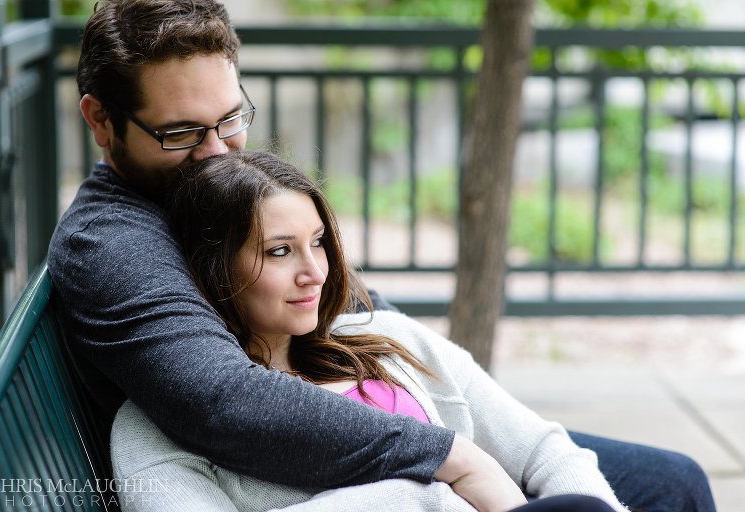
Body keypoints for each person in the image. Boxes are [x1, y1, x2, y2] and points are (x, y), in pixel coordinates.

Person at [46, 1, 716, 511]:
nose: (219, 151)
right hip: (289, 476)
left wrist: (461, 412)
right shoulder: (112, 243)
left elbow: (357, 314)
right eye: (183, 133)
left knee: (670, 478)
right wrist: (448, 456)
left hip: (368, 416)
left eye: (231, 119)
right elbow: (223, 400)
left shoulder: (207, 186)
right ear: (101, 123)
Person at [110, 150, 627, 512]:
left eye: (318, 243)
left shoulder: (392, 340)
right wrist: (425, 493)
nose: (315, 270)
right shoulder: (155, 423)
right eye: (280, 251)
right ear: (214, 269)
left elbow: (546, 451)